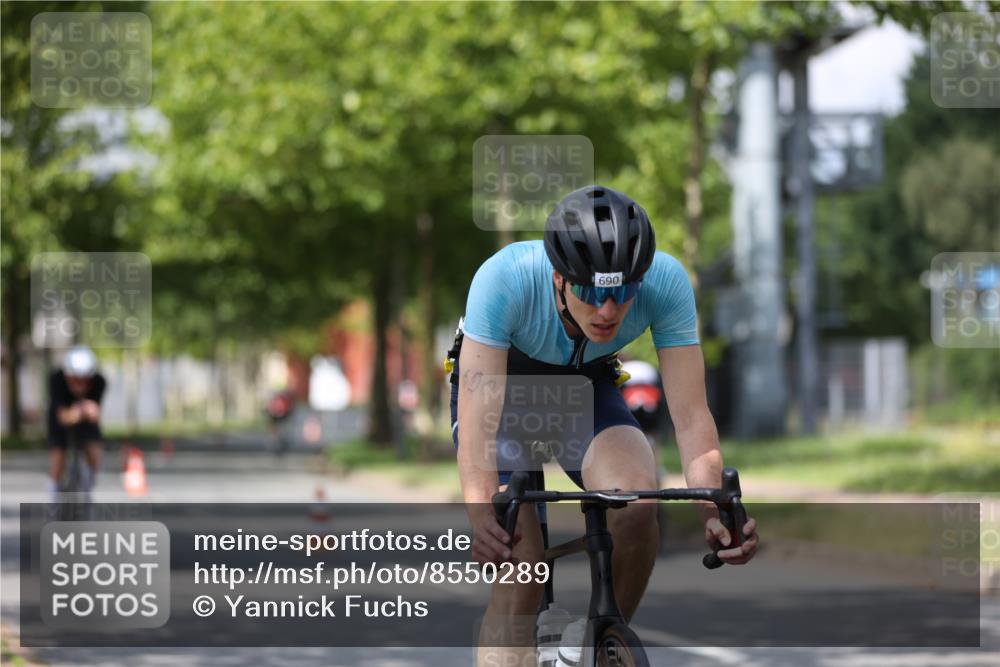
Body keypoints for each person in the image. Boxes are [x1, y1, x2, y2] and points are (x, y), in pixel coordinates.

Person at [449, 185, 759, 664]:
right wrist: (481, 511)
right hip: (501, 400)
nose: (608, 311)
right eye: (592, 293)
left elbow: (692, 418)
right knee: (521, 571)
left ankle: (594, 644)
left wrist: (712, 510)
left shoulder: (666, 282)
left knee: (636, 503)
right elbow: (477, 422)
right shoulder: (505, 278)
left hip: (585, 390)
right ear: (559, 277)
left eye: (623, 292)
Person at [47, 345, 106, 499]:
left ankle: (88, 487)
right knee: (57, 460)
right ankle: (54, 498)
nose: (80, 385)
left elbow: (96, 412)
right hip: (60, 420)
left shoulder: (99, 382)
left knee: (94, 452)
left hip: (86, 419)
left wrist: (90, 412)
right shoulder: (56, 380)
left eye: (85, 380)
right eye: (75, 380)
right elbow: (61, 415)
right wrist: (73, 413)